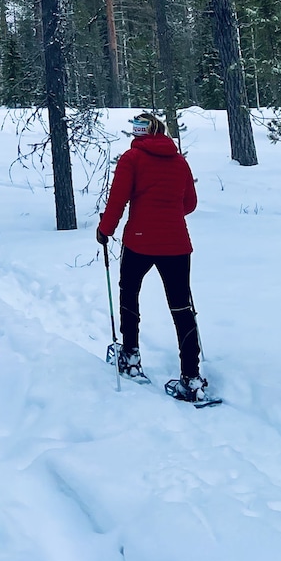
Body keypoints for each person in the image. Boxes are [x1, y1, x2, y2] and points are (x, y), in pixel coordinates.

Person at [97, 111, 208, 401]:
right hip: (177, 244)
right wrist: (167, 214)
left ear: (142, 132)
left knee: (129, 293)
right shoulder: (179, 161)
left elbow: (118, 199)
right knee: (182, 307)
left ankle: (130, 356)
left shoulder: (131, 159)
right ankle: (191, 377)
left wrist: (105, 230)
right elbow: (190, 203)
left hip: (139, 241)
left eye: (137, 127)